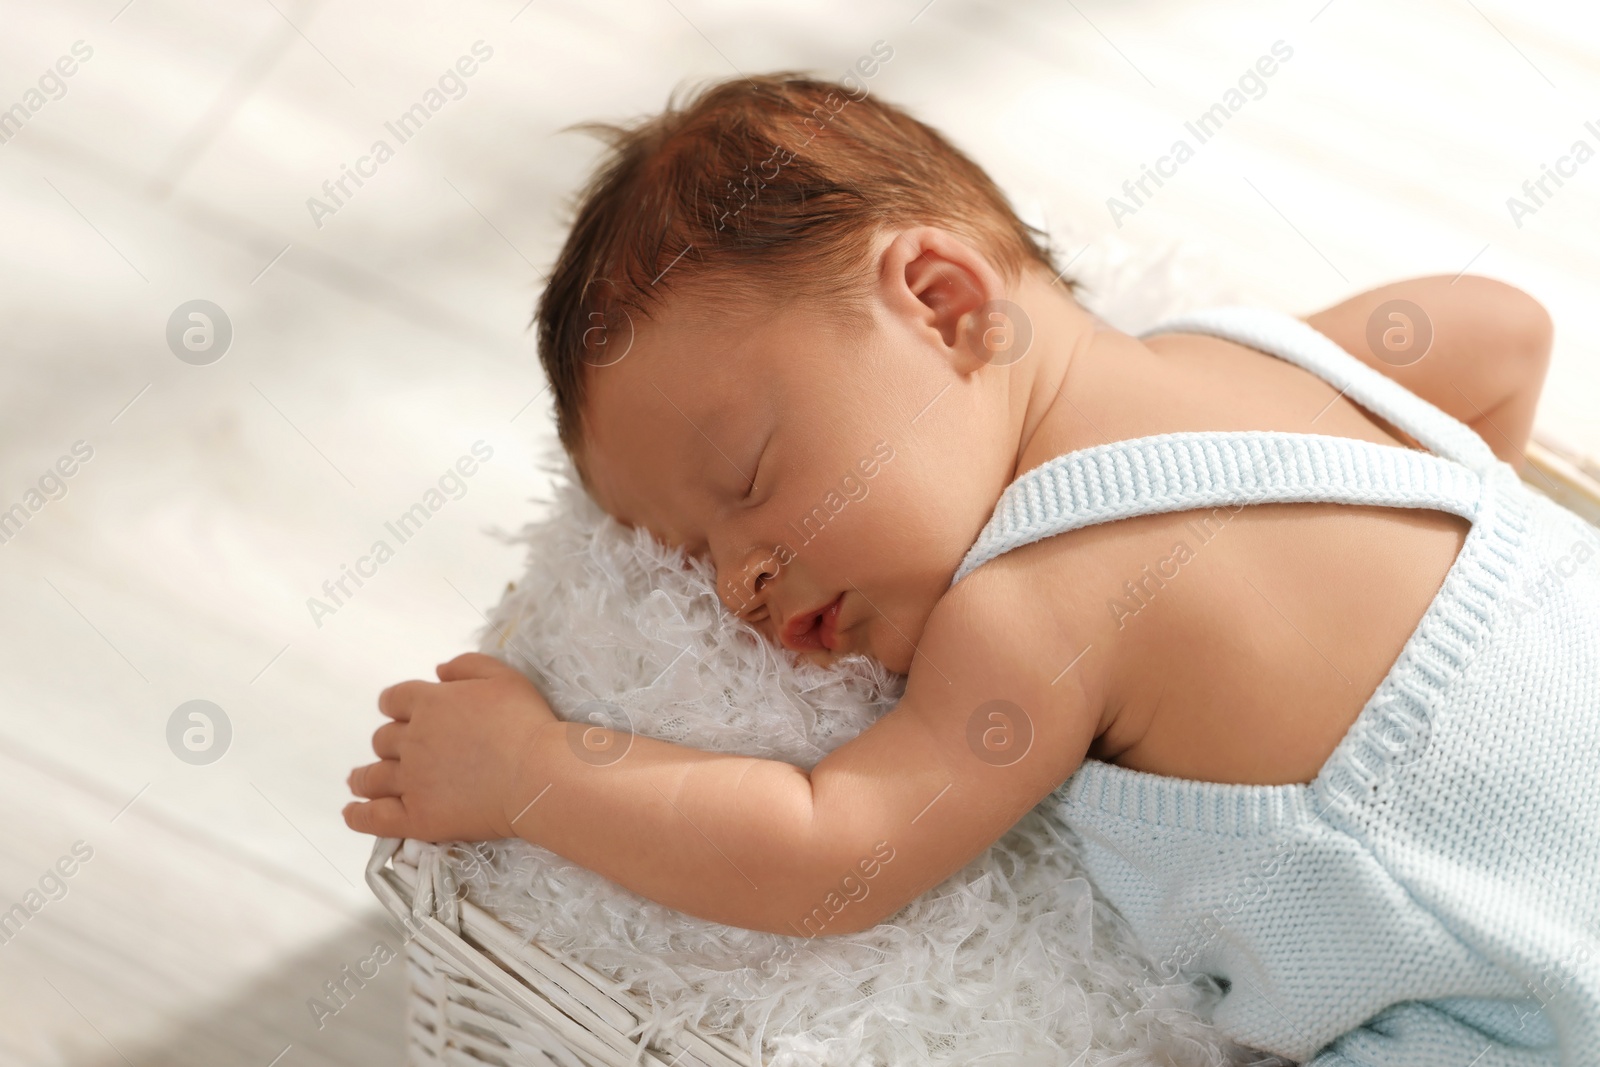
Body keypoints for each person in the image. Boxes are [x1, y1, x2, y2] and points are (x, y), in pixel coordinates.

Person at [344, 75, 1600, 1064]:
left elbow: (831, 849)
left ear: (943, 302)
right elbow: (1504, 335)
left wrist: (531, 771)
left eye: (747, 484)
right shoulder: (1268, 358)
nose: (737, 582)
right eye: (694, 554)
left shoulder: (1038, 603)